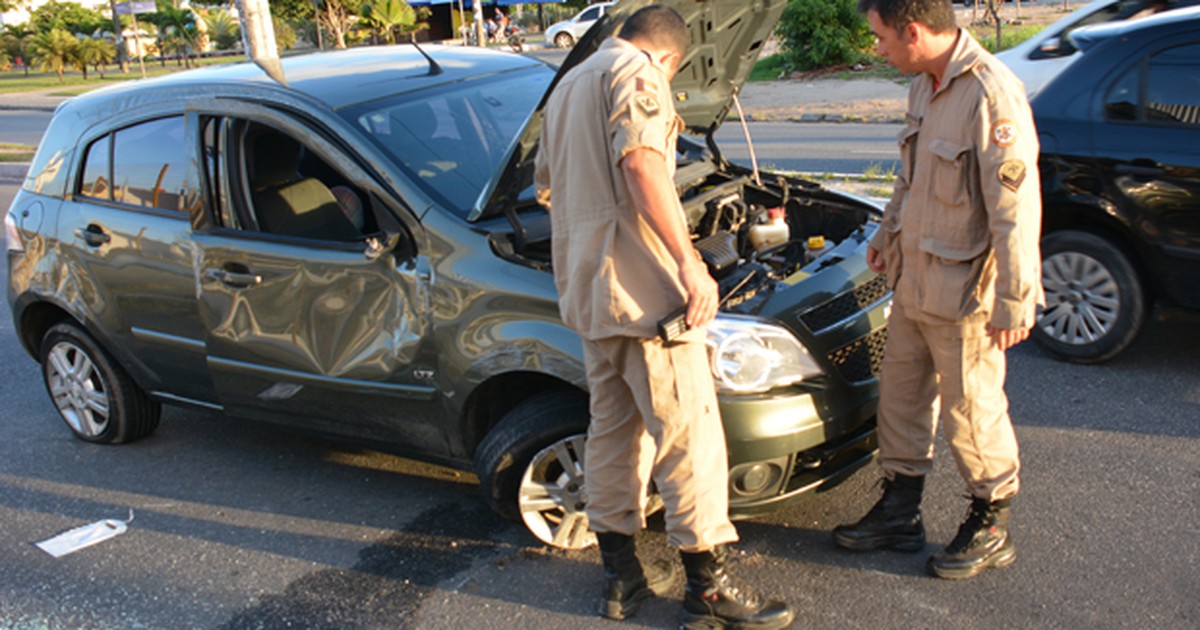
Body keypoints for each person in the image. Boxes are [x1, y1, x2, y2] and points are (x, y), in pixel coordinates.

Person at [534, 5, 794, 628]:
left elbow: (546, 188)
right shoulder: (640, 74)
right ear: (670, 57)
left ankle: (621, 578)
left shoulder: (567, 83)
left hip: (590, 292)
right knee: (689, 438)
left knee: (615, 434)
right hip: (646, 296)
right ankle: (708, 589)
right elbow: (643, 163)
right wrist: (689, 264)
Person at [832, 0, 1042, 580]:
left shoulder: (990, 95)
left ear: (914, 32)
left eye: (880, 38)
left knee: (971, 412)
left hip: (966, 291)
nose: (877, 48)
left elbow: (1014, 211)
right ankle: (900, 512)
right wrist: (885, 232)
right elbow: (910, 175)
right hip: (915, 279)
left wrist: (1015, 299)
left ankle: (991, 519)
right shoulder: (925, 84)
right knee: (900, 400)